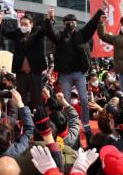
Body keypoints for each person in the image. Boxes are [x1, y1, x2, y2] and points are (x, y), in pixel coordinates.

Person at [44, 7, 105, 140]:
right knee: (65, 100)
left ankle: (85, 123)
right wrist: (50, 19)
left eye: (73, 21)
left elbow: (91, 25)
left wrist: (100, 11)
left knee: (84, 99)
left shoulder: (82, 34)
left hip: (79, 73)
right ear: (64, 23)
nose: (70, 23)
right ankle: (68, 122)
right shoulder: (60, 36)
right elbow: (50, 32)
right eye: (67, 22)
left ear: (76, 23)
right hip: (65, 74)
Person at [1, 14, 46, 109]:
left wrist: (51, 19)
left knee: (37, 98)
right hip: (21, 73)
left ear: (32, 24)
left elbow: (48, 29)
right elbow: (5, 33)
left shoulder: (37, 32)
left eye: (26, 24)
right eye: (21, 24)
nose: (23, 26)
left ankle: (39, 119)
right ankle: (22, 119)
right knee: (21, 97)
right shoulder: (17, 33)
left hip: (35, 71)